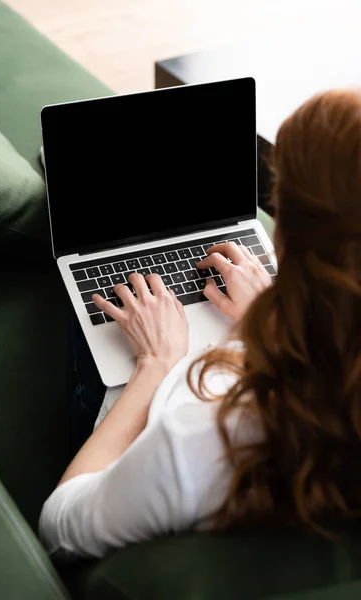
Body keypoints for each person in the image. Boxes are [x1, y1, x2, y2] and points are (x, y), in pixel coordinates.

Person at [39, 89, 361, 561]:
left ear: (288, 236)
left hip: (144, 412)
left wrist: (156, 363)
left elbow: (61, 527)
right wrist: (267, 316)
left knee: (97, 299)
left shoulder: (201, 439)